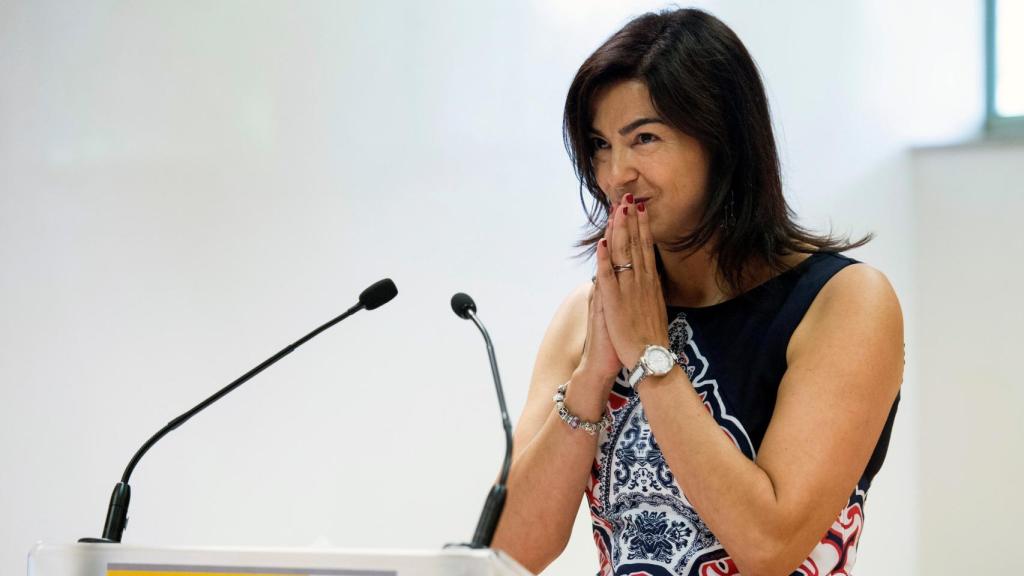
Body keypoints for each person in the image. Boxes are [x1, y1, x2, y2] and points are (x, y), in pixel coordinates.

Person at [490, 8, 904, 576]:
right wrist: (592, 376)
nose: (616, 174)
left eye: (645, 139)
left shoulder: (844, 302)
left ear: (722, 142)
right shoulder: (585, 315)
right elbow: (508, 552)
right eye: (600, 144)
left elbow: (769, 546)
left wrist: (649, 357)